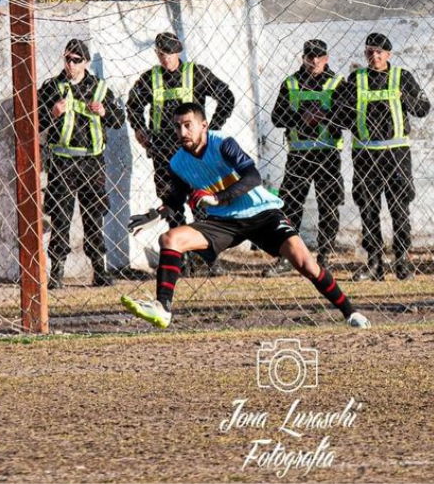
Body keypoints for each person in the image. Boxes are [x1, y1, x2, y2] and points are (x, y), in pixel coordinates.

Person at [121, 103, 370, 329]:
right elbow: (176, 199)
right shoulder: (177, 162)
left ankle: (351, 313)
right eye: (178, 127)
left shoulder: (222, 143)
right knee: (170, 240)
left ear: (203, 125)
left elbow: (253, 177)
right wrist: (157, 212)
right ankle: (163, 308)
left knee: (306, 265)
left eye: (188, 125)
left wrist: (219, 198)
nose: (183, 132)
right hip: (223, 222)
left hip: (262, 214)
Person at [126, 31, 235, 276]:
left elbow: (226, 96)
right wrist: (140, 130)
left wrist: (211, 128)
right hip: (164, 152)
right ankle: (182, 261)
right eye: (161, 54)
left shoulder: (196, 74)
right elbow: (133, 104)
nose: (165, 59)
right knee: (172, 206)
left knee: (201, 204)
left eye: (169, 54)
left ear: (178, 53)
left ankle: (208, 259)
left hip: (194, 153)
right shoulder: (151, 78)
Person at [330, 32, 430, 282]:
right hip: (365, 154)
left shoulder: (402, 77)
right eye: (369, 51)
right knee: (369, 209)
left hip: (396, 154)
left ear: (389, 54)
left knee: (399, 208)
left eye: (379, 52)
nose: (374, 56)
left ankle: (403, 262)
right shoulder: (356, 79)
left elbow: (423, 108)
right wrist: (351, 117)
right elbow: (338, 113)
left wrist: (404, 98)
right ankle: (374, 263)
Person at [37, 39, 126, 289]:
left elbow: (119, 120)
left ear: (86, 62)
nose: (71, 64)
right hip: (62, 162)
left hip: (91, 161)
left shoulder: (99, 88)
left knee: (93, 215)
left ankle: (99, 269)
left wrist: (105, 112)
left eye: (76, 60)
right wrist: (52, 113)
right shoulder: (51, 87)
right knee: (61, 217)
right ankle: (56, 272)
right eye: (67, 59)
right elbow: (33, 121)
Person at [263, 39, 344, 277]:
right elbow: (277, 117)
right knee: (289, 206)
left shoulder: (338, 82)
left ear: (326, 58)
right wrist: (301, 117)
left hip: (328, 153)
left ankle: (324, 256)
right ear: (303, 58)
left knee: (328, 205)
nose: (314, 61)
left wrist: (324, 115)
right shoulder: (291, 83)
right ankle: (288, 257)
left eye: (319, 56)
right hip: (298, 154)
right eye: (310, 56)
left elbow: (347, 116)